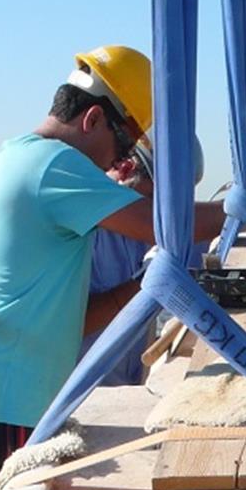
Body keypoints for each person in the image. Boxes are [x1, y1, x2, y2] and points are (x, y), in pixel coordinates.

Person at [0, 46, 246, 490]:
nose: (121, 159)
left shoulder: (16, 159)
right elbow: (164, 226)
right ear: (92, 119)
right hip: (0, 399)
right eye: (125, 143)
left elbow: (75, 317)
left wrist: (150, 285)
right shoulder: (54, 167)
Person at [78, 134, 207, 386]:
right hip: (74, 403)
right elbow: (70, 325)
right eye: (155, 202)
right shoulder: (80, 234)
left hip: (132, 398)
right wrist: (147, 284)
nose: (161, 216)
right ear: (124, 171)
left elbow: (215, 237)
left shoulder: (167, 229)